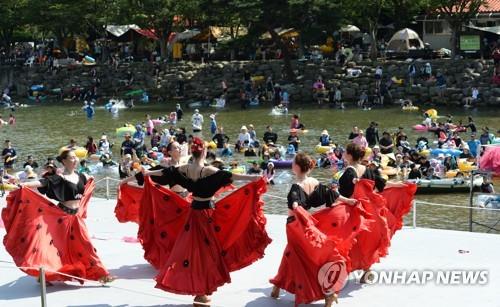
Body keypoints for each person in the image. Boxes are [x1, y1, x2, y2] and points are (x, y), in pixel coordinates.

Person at [140, 137, 269, 306]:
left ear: (192, 152)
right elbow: (233, 176)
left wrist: (148, 173)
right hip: (207, 215)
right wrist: (253, 179)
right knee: (208, 252)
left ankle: (200, 290)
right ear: (205, 152)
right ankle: (202, 290)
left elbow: (166, 172)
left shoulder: (185, 168)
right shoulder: (208, 170)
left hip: (193, 214)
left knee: (194, 251)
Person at [2, 149, 113, 284]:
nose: (75, 160)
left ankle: (101, 274)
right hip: (62, 217)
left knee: (86, 245)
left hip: (76, 219)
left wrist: (91, 181)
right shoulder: (60, 178)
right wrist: (23, 184)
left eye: (75, 158)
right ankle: (45, 274)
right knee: (55, 248)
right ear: (64, 161)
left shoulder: (82, 176)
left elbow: (87, 188)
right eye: (72, 158)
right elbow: (42, 182)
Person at [270, 152, 359, 306]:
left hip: (295, 224)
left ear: (296, 167)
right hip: (307, 223)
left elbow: (295, 202)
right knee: (293, 254)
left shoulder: (296, 186)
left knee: (298, 256)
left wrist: (297, 208)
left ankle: (327, 293)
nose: (292, 165)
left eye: (293, 163)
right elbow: (332, 194)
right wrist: (348, 201)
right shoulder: (314, 182)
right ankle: (277, 286)